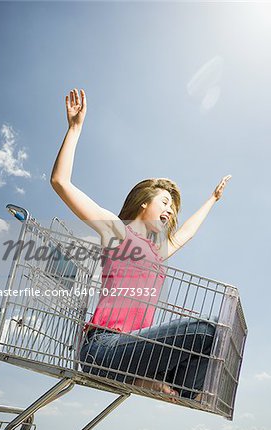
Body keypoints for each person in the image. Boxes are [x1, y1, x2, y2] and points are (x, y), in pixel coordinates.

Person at [51, 88, 231, 403]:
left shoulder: (157, 251)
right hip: (103, 349)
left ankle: (164, 386)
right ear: (144, 202)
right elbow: (61, 183)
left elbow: (186, 234)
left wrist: (212, 200)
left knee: (218, 342)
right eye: (165, 202)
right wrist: (75, 129)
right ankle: (150, 381)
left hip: (133, 350)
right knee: (206, 329)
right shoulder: (117, 231)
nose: (170, 211)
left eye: (173, 209)